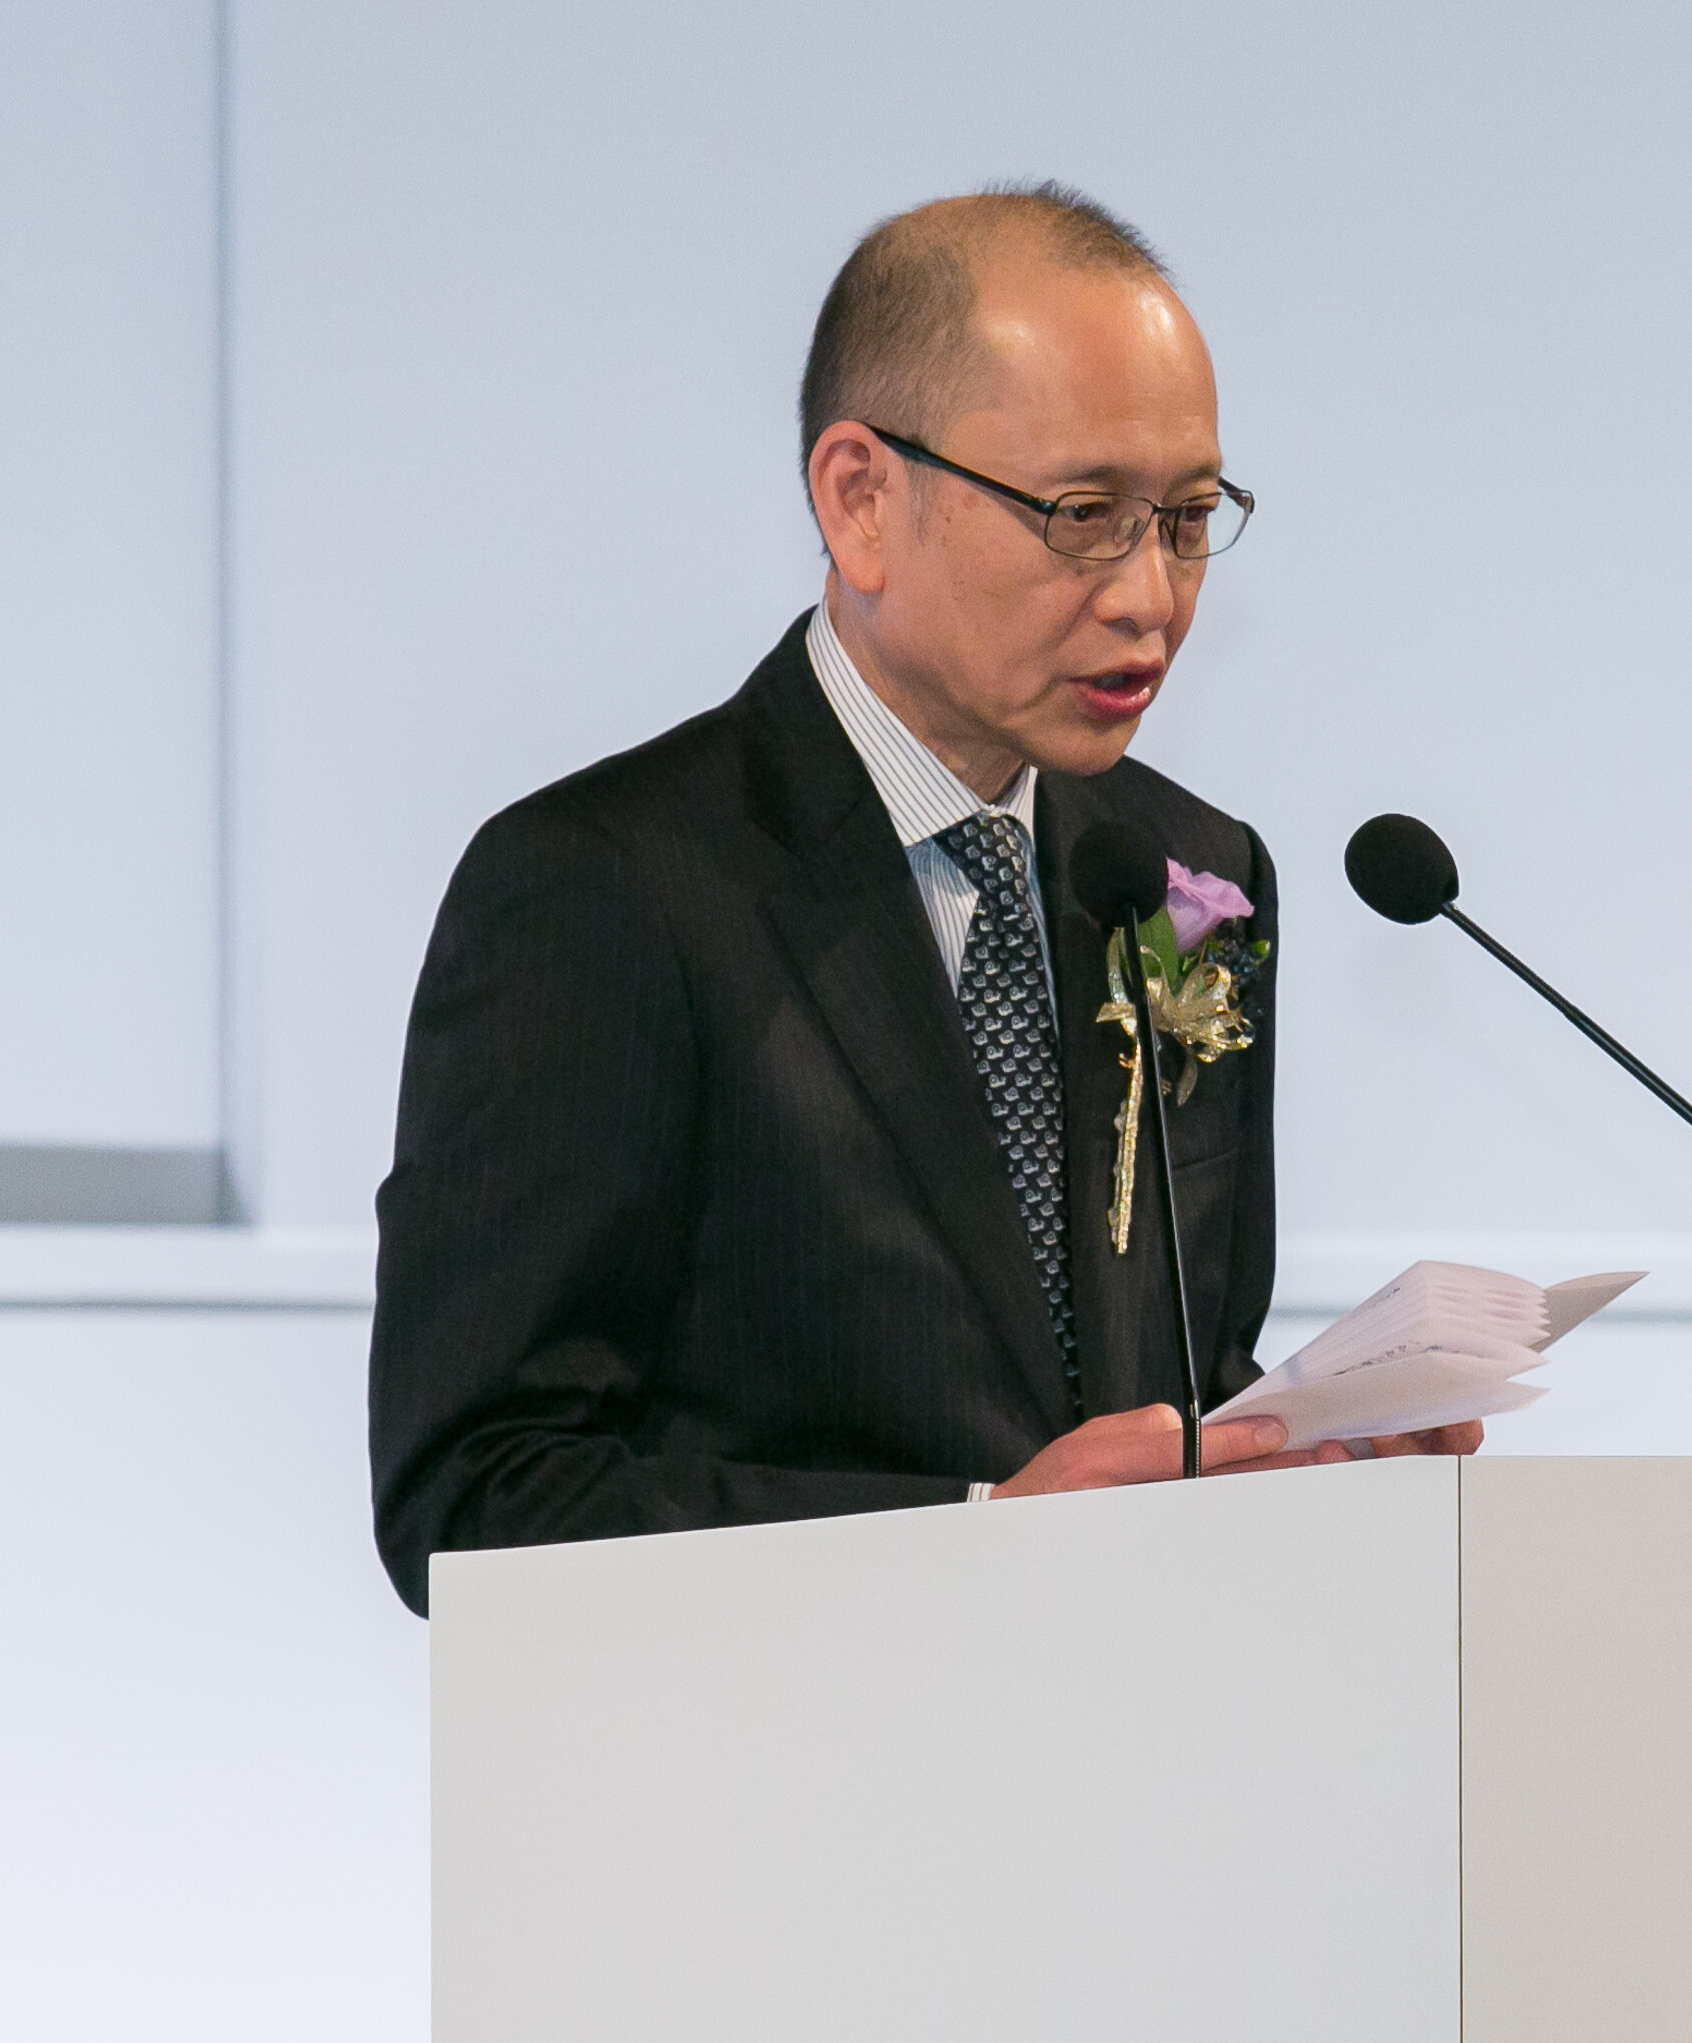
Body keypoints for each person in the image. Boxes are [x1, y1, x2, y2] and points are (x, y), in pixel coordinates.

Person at [368, 183, 1473, 1618]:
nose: (1151, 596)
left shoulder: (1190, 875)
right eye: (1085, 515)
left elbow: (1170, 1389)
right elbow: (474, 1498)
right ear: (861, 500)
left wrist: (1308, 1458)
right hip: (781, 1747)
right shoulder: (605, 892)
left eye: (1191, 519)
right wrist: (974, 1535)